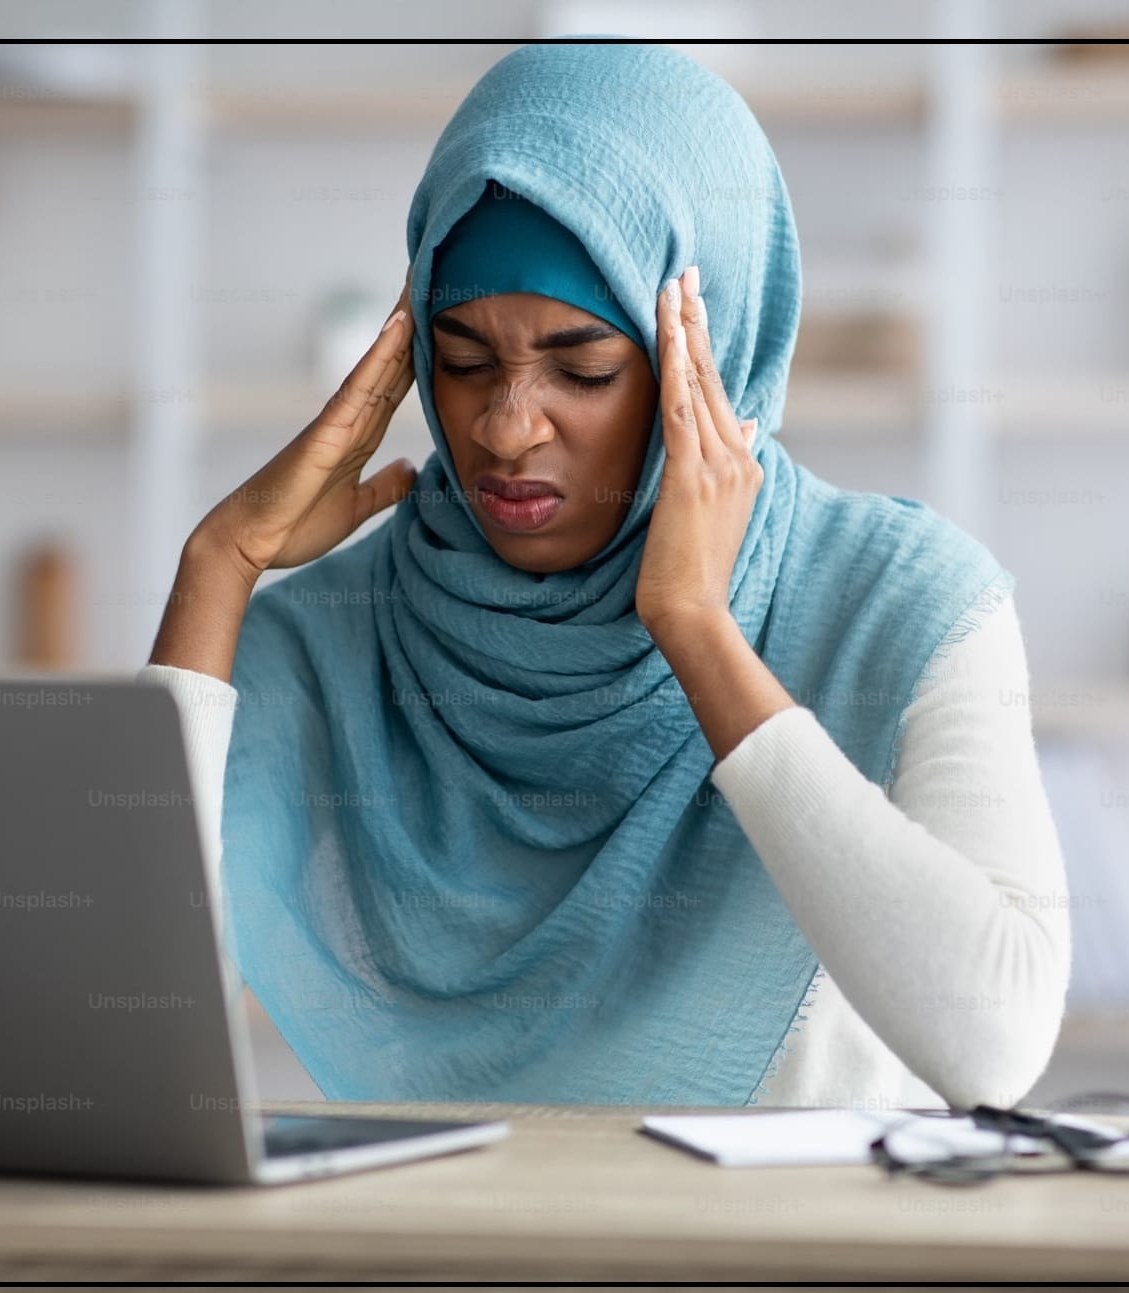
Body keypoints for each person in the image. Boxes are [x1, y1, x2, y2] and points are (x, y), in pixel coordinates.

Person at [144, 42, 1069, 1108]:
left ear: (707, 357)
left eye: (581, 368)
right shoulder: (334, 635)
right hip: (449, 1266)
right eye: (461, 358)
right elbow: (114, 1025)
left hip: (801, 1267)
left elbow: (993, 1043)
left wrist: (696, 628)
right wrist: (217, 569)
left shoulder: (899, 600)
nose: (504, 425)